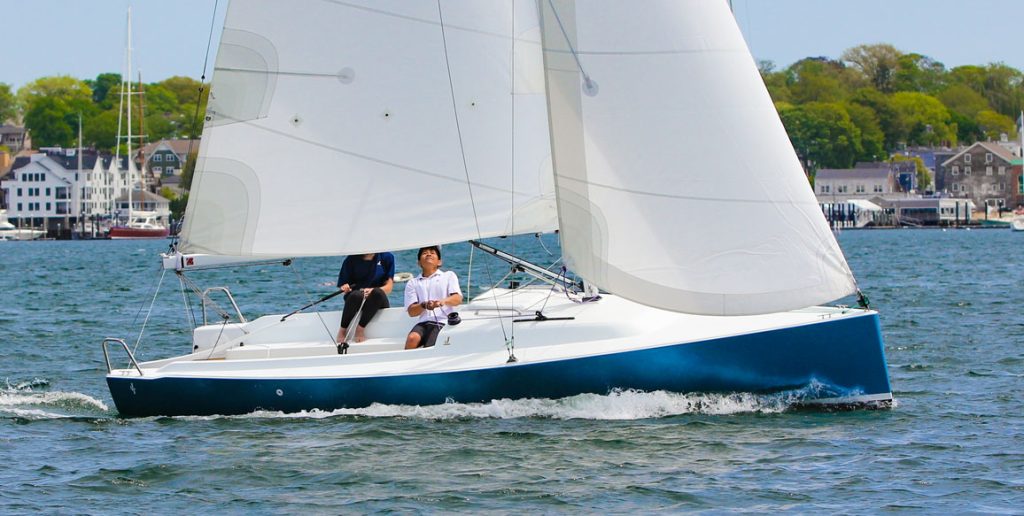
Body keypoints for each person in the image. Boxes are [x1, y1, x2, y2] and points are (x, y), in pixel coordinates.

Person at [335, 252, 395, 352]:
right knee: (356, 295)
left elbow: (389, 288)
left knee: (377, 292)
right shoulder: (350, 259)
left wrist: (371, 290)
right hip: (357, 298)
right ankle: (342, 330)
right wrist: (345, 287)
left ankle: (360, 329)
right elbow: (343, 285)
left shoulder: (387, 257)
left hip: (377, 300)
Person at [404, 245, 462, 350]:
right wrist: (424, 305)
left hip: (443, 321)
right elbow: (412, 312)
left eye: (432, 253)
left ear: (439, 262)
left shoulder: (448, 275)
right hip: (423, 323)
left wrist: (442, 301)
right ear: (419, 263)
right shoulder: (413, 282)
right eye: (425, 253)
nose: (428, 254)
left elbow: (457, 299)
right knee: (412, 338)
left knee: (430, 345)